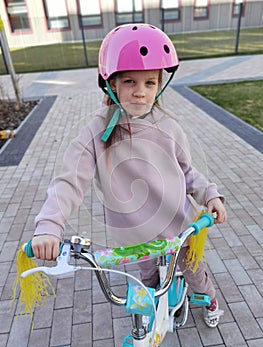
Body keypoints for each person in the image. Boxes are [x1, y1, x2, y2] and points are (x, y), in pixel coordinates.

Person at [31, 23, 227, 328]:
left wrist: (210, 194)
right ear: (110, 83)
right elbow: (69, 181)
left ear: (160, 84)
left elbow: (187, 172)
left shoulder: (169, 126)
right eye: (129, 81)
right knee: (148, 281)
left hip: (179, 226)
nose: (140, 92)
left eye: (150, 82)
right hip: (138, 236)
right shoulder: (96, 133)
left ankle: (209, 297)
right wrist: (49, 225)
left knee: (194, 270)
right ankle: (152, 315)